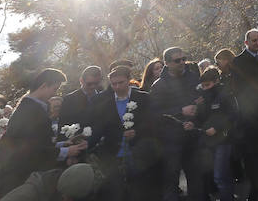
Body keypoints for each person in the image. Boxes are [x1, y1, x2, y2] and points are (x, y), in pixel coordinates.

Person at [0, 69, 88, 199]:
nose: (54, 93)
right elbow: (31, 151)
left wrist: (64, 144)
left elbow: (37, 142)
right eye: (54, 89)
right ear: (44, 86)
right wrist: (67, 152)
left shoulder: (31, 108)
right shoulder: (30, 111)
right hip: (22, 179)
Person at [88, 64, 159, 201]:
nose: (117, 87)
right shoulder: (105, 102)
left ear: (129, 80)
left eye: (121, 83)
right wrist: (86, 143)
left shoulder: (144, 98)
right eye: (114, 84)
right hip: (114, 154)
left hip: (140, 154)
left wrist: (136, 132)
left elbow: (153, 122)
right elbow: (100, 128)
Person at [149, 47, 204, 201]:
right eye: (177, 60)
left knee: (196, 179)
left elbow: (202, 101)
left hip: (192, 136)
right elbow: (155, 114)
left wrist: (199, 105)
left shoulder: (193, 78)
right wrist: (180, 111)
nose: (182, 63)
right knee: (171, 181)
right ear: (167, 63)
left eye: (183, 59)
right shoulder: (159, 85)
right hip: (171, 141)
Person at [230, 29, 258, 201]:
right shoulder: (238, 62)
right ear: (246, 42)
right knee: (257, 157)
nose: (257, 43)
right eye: (254, 40)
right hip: (252, 116)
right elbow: (238, 89)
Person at [196, 67, 238, 201]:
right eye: (203, 85)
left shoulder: (225, 94)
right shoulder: (202, 96)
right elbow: (202, 118)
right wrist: (198, 107)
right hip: (209, 140)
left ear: (216, 81)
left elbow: (232, 115)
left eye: (208, 85)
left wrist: (217, 128)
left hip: (224, 139)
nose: (205, 88)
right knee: (223, 173)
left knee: (219, 175)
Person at [58, 65, 102, 135]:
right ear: (81, 80)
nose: (93, 86)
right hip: (75, 141)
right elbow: (63, 125)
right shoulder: (69, 99)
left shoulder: (104, 98)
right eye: (89, 84)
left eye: (96, 83)